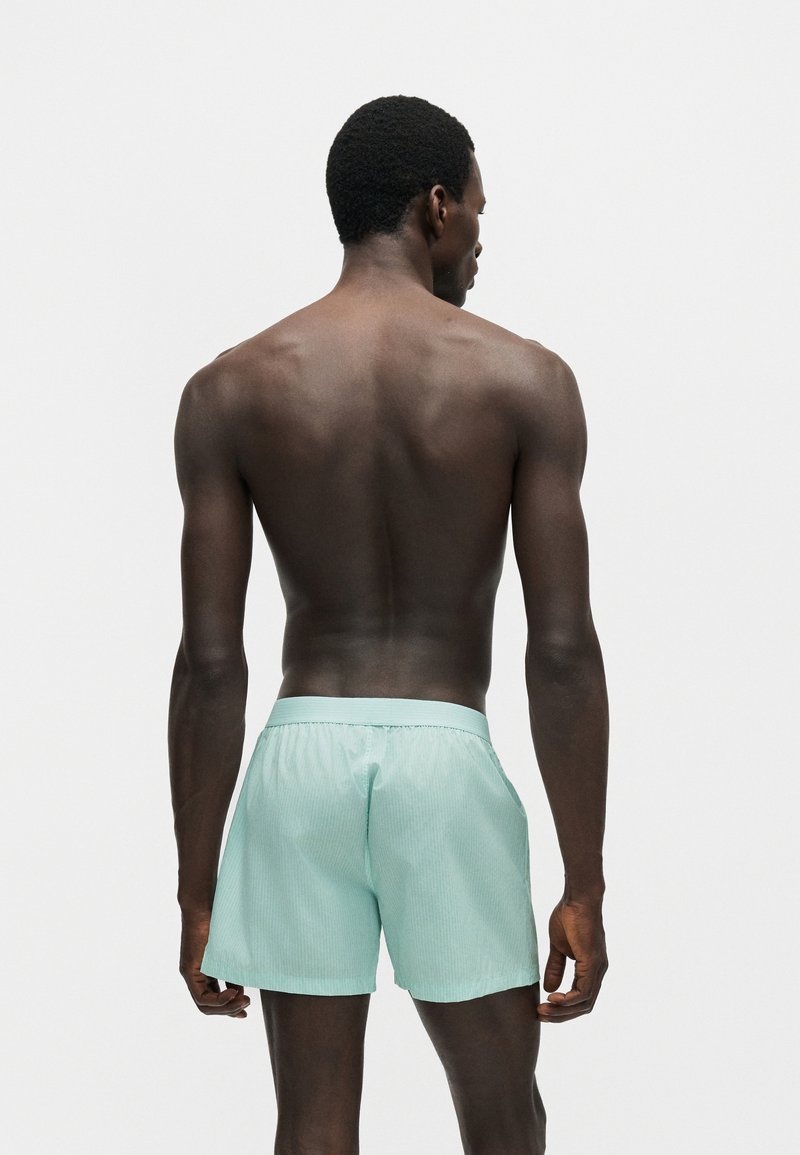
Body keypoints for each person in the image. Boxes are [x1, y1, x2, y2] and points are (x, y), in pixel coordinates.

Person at [168, 94, 609, 1155]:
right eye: (478, 212)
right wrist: (584, 882)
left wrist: (196, 886)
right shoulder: (525, 380)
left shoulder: (229, 388)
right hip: (443, 760)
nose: (480, 238)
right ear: (435, 206)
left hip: (298, 761)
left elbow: (212, 663)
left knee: (312, 1123)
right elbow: (560, 651)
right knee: (505, 1119)